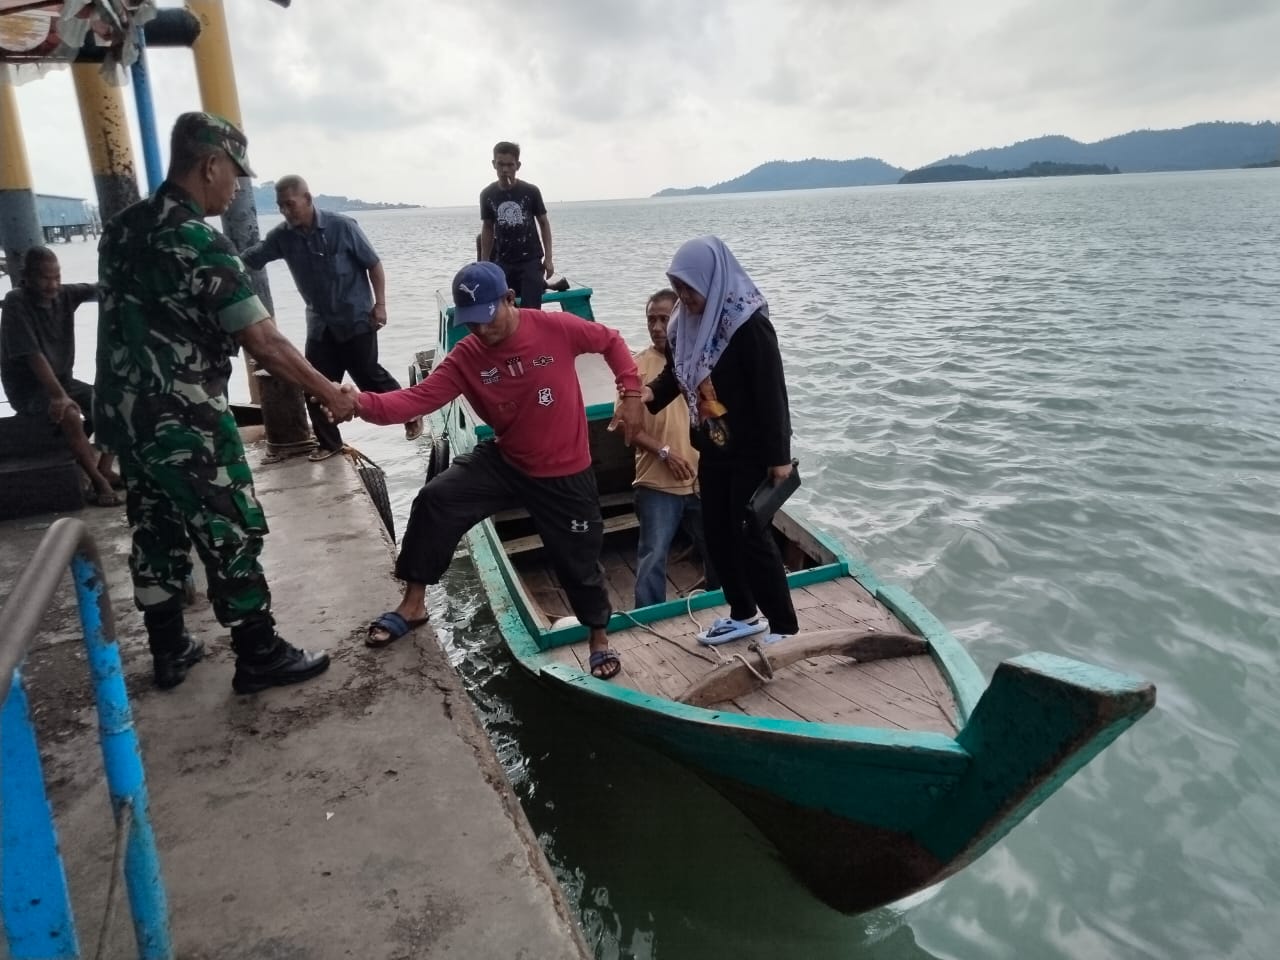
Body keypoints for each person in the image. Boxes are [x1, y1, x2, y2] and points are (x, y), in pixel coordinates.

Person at [94, 112, 355, 693]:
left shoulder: (122, 229)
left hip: (125, 413)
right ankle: (258, 651)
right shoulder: (198, 241)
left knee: (154, 523)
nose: (235, 186)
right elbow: (264, 340)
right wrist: (330, 393)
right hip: (183, 412)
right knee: (229, 527)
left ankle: (168, 648)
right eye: (233, 173)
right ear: (209, 164)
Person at [341, 260, 646, 680]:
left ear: (509, 299)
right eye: (471, 322)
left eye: (487, 317)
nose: (481, 331)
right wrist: (359, 403)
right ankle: (413, 604)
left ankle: (598, 637)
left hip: (565, 470)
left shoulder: (555, 329)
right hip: (508, 459)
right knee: (436, 499)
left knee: (579, 558)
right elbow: (415, 400)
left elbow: (610, 341)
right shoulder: (467, 355)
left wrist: (629, 390)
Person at [643, 236, 799, 645]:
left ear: (713, 281)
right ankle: (744, 613)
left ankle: (783, 624)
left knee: (750, 531)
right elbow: (679, 374)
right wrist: (648, 394)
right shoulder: (685, 324)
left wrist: (779, 457)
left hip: (751, 447)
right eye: (677, 289)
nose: (682, 298)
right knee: (717, 530)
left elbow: (772, 393)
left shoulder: (748, 324)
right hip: (712, 445)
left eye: (689, 289)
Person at [242, 175, 421, 460]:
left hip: (356, 318)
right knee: (314, 383)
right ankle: (329, 443)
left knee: (369, 375)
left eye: (290, 204)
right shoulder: (282, 237)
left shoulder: (343, 227)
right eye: (280, 207)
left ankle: (409, 414)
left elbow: (374, 265)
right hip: (320, 326)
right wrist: (220, 260)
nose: (286, 212)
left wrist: (381, 305)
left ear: (308, 199)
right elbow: (253, 258)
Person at [616, 288, 718, 608]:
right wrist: (664, 452)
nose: (657, 327)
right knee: (653, 554)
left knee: (719, 548)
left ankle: (726, 607)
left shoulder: (701, 360)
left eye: (664, 319)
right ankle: (649, 619)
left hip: (703, 479)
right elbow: (624, 426)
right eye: (651, 320)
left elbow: (717, 414)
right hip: (658, 482)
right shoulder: (636, 367)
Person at [0, 246, 119, 505]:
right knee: (71, 416)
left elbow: (100, 288)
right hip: (30, 390)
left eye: (57, 277)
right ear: (27, 277)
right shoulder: (15, 302)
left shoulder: (65, 295)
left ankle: (105, 467)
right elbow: (33, 354)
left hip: (64, 382)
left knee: (111, 401)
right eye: (45, 278)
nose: (52, 285)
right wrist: (58, 396)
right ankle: (98, 482)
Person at [479, 141, 553, 310]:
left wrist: (548, 258)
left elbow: (544, 223)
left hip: (531, 259)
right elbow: (488, 227)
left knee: (530, 310)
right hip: (503, 260)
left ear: (517, 166)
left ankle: (540, 283)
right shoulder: (487, 194)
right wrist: (484, 263)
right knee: (503, 308)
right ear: (493, 164)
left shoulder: (530, 191)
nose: (505, 169)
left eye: (510, 165)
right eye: (500, 164)